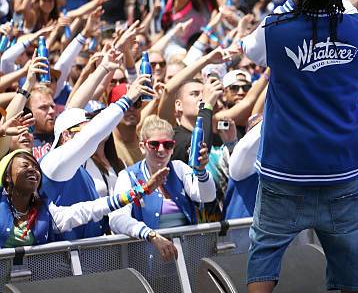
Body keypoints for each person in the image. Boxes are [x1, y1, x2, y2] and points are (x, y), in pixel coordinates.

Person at [239, 0, 358, 293]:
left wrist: (293, 2)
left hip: (285, 169)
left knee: (265, 250)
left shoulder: (276, 29)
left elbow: (247, 49)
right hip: (340, 169)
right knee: (349, 251)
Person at [40, 60, 153, 240]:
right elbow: (89, 134)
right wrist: (127, 98)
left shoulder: (82, 169)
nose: (95, 132)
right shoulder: (53, 162)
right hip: (59, 260)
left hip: (90, 254)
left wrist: (133, 194)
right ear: (66, 135)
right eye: (87, 127)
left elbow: (92, 209)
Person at [0, 149, 167, 248]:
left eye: (35, 167)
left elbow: (91, 209)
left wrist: (138, 191)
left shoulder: (47, 212)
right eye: (24, 165)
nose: (32, 170)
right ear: (7, 177)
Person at [109, 116, 216, 261]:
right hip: (147, 263)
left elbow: (206, 197)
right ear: (142, 147)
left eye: (167, 145)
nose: (161, 150)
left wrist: (202, 171)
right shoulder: (128, 176)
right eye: (154, 144)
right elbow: (116, 219)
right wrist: (150, 235)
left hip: (186, 260)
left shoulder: (179, 168)